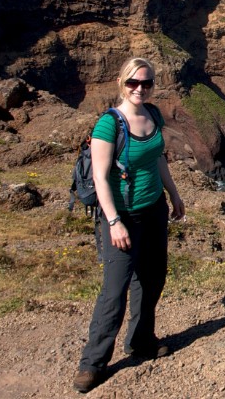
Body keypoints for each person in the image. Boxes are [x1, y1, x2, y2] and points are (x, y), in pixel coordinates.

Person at [73, 57, 185, 393]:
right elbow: (100, 178)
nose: (140, 88)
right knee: (114, 291)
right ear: (122, 84)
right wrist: (114, 222)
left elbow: (157, 159)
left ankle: (141, 341)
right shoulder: (109, 125)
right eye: (134, 82)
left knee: (152, 278)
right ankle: (92, 364)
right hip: (122, 217)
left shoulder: (153, 114)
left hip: (154, 209)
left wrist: (174, 193)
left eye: (146, 83)